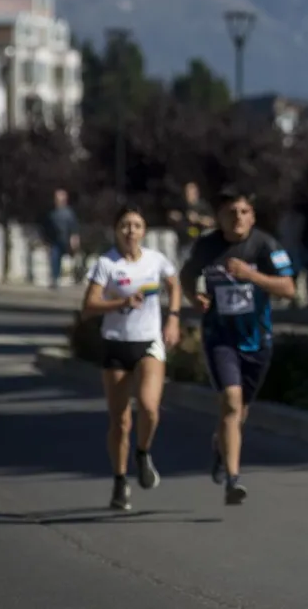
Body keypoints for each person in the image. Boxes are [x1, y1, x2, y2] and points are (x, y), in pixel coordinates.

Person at [180, 186, 296, 505]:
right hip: (220, 337)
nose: (238, 218)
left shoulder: (264, 246)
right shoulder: (207, 246)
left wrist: (250, 275)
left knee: (239, 411)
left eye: (244, 212)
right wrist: (194, 297)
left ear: (253, 215)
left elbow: (289, 288)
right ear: (219, 217)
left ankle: (221, 446)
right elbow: (185, 275)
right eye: (231, 213)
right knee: (231, 401)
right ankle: (233, 479)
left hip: (257, 340)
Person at [80, 205, 181, 510]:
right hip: (116, 345)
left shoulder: (155, 260)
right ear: (116, 230)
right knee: (120, 421)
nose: (130, 231)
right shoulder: (106, 264)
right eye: (125, 225)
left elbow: (173, 284)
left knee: (150, 409)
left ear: (144, 230)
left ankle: (143, 452)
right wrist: (121, 301)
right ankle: (120, 481)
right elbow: (89, 306)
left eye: (136, 225)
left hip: (148, 342)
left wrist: (173, 317)